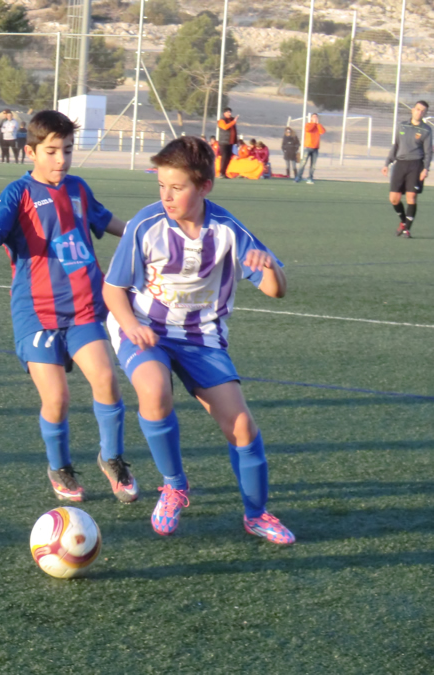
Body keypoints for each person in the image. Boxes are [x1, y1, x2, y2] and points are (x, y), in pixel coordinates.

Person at [102, 136, 294, 545]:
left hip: (202, 338)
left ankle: (257, 514)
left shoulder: (228, 230)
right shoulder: (145, 225)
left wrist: (269, 268)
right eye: (161, 186)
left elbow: (276, 290)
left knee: (241, 426)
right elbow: (112, 290)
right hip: (143, 327)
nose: (166, 196)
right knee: (154, 392)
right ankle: (174, 486)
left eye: (177, 187)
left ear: (204, 186)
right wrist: (130, 325)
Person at [0, 110, 138, 504]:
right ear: (31, 152)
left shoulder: (78, 188)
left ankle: (112, 458)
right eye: (52, 151)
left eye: (68, 151)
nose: (61, 160)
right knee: (57, 399)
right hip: (37, 313)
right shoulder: (17, 193)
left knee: (106, 381)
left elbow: (106, 220)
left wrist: (146, 231)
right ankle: (59, 466)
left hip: (85, 308)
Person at [382, 100, 431, 238]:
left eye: (423, 111)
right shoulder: (402, 126)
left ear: (425, 114)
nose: (419, 112)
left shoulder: (426, 130)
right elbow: (396, 146)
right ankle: (404, 222)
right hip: (400, 164)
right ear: (412, 110)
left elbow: (428, 152)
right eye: (418, 109)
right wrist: (387, 163)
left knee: (411, 197)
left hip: (416, 165)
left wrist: (425, 169)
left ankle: (407, 230)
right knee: (394, 199)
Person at [294, 113, 326, 184]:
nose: (315, 118)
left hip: (315, 148)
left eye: (316, 117)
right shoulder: (308, 124)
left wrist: (318, 124)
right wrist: (314, 123)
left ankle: (310, 178)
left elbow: (322, 131)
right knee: (303, 163)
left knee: (313, 165)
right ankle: (299, 177)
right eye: (314, 117)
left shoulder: (318, 126)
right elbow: (308, 129)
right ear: (311, 118)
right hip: (308, 147)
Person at [217, 107, 238, 177]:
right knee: (224, 157)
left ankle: (224, 173)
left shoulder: (231, 120)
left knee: (228, 158)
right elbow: (225, 127)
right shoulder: (221, 120)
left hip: (230, 142)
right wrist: (233, 122)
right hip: (224, 142)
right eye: (228, 112)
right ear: (224, 113)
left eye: (230, 112)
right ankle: (221, 173)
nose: (230, 113)